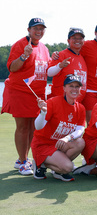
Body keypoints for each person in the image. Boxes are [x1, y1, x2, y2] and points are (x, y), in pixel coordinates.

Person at [1, 18, 50, 175]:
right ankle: (23, 161)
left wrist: (55, 60)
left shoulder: (44, 48)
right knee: (23, 127)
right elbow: (12, 68)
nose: (39, 31)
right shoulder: (20, 44)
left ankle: (23, 159)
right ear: (28, 29)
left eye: (42, 28)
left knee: (33, 128)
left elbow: (46, 68)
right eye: (36, 28)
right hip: (20, 90)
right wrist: (23, 56)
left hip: (37, 94)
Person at [31, 75, 86, 181]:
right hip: (43, 144)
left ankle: (58, 170)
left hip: (60, 144)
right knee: (68, 167)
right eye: (71, 86)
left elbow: (80, 130)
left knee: (80, 142)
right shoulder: (52, 102)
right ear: (64, 88)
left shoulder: (80, 108)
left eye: (77, 86)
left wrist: (67, 138)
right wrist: (43, 113)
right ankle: (40, 163)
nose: (74, 89)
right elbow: (38, 127)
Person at [47, 28, 87, 102]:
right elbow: (49, 73)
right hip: (60, 102)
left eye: (80, 38)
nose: (77, 40)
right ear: (68, 40)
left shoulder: (82, 57)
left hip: (76, 104)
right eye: (74, 38)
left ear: (83, 41)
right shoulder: (61, 55)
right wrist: (60, 66)